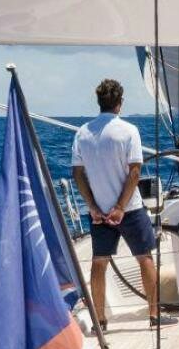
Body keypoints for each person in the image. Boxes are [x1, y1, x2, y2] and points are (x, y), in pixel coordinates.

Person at [71, 79, 173, 328]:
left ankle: (100, 321)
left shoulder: (82, 133)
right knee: (145, 258)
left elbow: (78, 174)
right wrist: (119, 208)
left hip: (99, 213)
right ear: (120, 102)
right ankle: (154, 316)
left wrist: (93, 207)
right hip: (130, 209)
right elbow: (135, 172)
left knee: (99, 262)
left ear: (99, 102)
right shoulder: (129, 131)